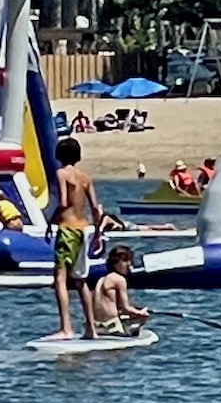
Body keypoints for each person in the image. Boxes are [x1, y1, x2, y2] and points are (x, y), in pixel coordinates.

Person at [45, 138, 101, 340]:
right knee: (81, 281)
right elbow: (95, 208)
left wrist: (50, 222)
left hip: (68, 228)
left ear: (58, 155)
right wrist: (99, 235)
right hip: (84, 229)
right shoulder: (85, 177)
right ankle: (91, 329)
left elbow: (63, 201)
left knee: (60, 278)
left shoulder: (62, 173)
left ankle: (66, 328)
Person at [93, 245, 149, 337]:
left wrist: (134, 310)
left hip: (96, 326)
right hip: (111, 326)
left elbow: (112, 307)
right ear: (117, 262)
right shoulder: (119, 280)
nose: (130, 265)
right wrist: (141, 314)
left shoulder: (101, 279)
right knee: (141, 318)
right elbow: (126, 308)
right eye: (126, 261)